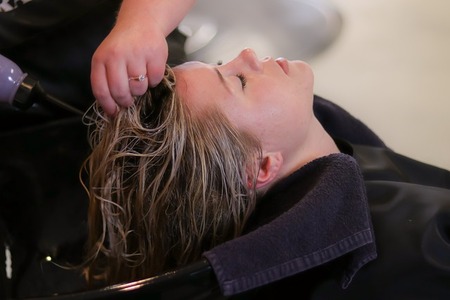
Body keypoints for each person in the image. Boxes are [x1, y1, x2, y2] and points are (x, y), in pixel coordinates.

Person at [82, 48, 450, 299]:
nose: (246, 55)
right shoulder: (422, 248)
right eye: (239, 81)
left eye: (223, 63)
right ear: (260, 166)